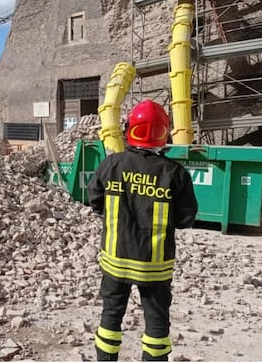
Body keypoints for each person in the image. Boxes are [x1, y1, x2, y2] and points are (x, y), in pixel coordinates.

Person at [87, 100, 198, 361]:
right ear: (164, 132)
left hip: (115, 262)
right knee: (157, 326)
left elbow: (94, 202)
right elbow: (185, 219)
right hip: (155, 267)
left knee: (110, 317)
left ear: (130, 129)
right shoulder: (175, 173)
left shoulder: (111, 164)